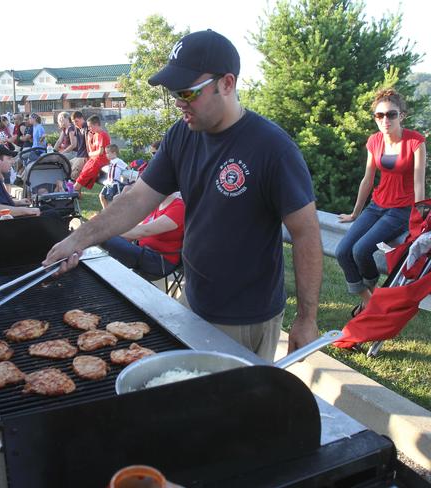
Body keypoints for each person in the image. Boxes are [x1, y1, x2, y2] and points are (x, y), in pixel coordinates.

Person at [43, 30, 322, 361]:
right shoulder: (181, 136)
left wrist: (306, 319)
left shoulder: (272, 148)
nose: (178, 101)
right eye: (174, 92)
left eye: (187, 92)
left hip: (247, 316)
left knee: (233, 409)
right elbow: (136, 201)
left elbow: (306, 233)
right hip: (194, 298)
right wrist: (79, 239)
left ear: (227, 84)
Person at [336, 88, 426, 316]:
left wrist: (418, 220)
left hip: (401, 210)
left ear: (401, 115)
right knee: (342, 251)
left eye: (391, 114)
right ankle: (371, 300)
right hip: (377, 205)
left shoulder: (415, 141)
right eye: (379, 115)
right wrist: (355, 213)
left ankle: (372, 303)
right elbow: (367, 180)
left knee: (360, 250)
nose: (385, 120)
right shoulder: (374, 141)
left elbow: (419, 184)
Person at [101, 189, 184, 277]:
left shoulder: (179, 207)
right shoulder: (156, 204)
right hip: (142, 251)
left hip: (159, 261)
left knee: (104, 239)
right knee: (104, 240)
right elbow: (134, 231)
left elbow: (144, 231)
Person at [0, 145, 40, 219]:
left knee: (46, 209)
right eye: (9, 158)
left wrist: (18, 202)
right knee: (51, 214)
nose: (13, 162)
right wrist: (26, 210)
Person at [74, 115, 110, 193]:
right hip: (94, 160)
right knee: (82, 173)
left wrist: (90, 154)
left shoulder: (102, 135)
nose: (89, 129)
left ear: (96, 124)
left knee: (84, 176)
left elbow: (100, 152)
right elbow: (90, 150)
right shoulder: (95, 135)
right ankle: (76, 190)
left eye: (90, 126)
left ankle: (75, 189)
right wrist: (88, 139)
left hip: (101, 160)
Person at [99, 144, 128, 209]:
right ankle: (105, 211)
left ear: (114, 153)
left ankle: (111, 212)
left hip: (114, 184)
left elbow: (127, 167)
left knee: (111, 199)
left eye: (107, 153)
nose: (106, 155)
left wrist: (124, 175)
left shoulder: (118, 161)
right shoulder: (111, 161)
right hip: (109, 183)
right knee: (101, 196)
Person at [70, 111, 88, 179]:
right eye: (73, 122)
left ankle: (75, 189)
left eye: (76, 121)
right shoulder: (77, 128)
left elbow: (88, 144)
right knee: (66, 165)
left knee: (73, 173)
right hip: (79, 155)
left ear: (82, 118)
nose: (75, 124)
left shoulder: (87, 127)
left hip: (84, 155)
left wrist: (88, 156)